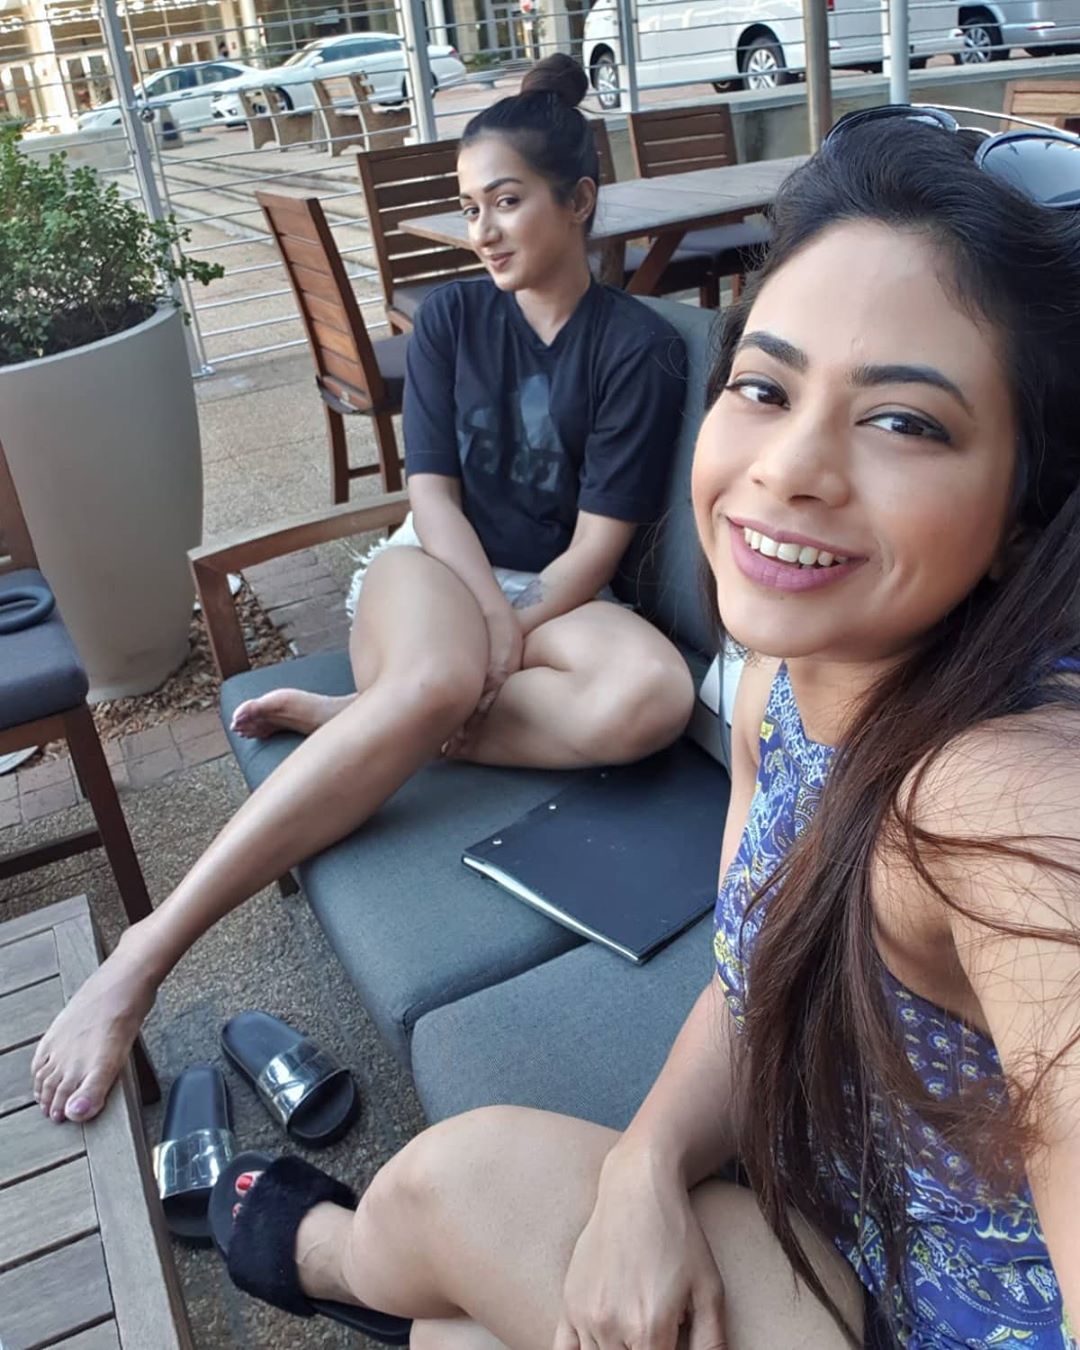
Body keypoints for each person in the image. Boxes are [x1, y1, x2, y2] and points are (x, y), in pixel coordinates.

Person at [210, 111, 1080, 1348]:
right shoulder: (785, 680)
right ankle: (387, 1285)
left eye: (903, 420)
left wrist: (499, 633)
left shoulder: (1004, 807)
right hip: (844, 1236)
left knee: (447, 1198)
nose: (788, 467)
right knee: (467, 1261)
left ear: (1024, 512)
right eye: (765, 386)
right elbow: (756, 972)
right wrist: (646, 1161)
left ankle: (336, 1263)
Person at [30, 54, 694, 1126]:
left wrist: (515, 624)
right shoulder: (450, 322)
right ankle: (146, 952)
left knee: (653, 696)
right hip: (432, 570)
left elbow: (594, 550)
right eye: (469, 207)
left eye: (507, 202)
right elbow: (431, 496)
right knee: (437, 675)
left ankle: (366, 721)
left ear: (579, 200)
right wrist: (489, 619)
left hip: (558, 594)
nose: (482, 231)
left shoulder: (639, 348)